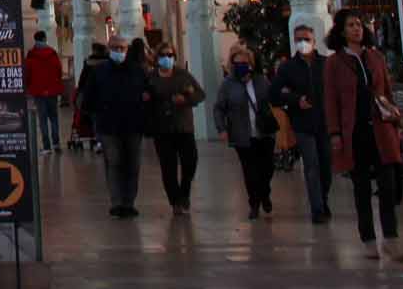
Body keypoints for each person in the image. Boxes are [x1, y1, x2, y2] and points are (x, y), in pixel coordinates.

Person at [324, 10, 403, 260]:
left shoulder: (375, 57)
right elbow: (331, 100)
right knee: (361, 188)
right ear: (341, 31)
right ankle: (368, 239)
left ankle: (390, 238)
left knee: (388, 185)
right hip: (355, 132)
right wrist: (335, 133)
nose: (357, 29)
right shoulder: (334, 63)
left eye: (359, 24)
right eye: (351, 25)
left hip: (380, 128)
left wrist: (394, 118)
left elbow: (387, 92)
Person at [79, 35, 149, 218]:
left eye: (122, 48)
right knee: (114, 162)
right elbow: (88, 99)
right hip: (108, 126)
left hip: (133, 125)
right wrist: (99, 113)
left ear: (127, 50)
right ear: (110, 49)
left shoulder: (137, 71)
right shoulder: (99, 71)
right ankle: (117, 202)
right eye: (116, 48)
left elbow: (148, 93)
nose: (119, 51)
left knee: (133, 164)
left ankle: (129, 202)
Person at [269, 23, 332, 223]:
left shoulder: (326, 64)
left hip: (325, 123)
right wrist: (295, 100)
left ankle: (323, 199)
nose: (302, 43)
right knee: (311, 165)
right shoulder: (288, 68)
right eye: (298, 39)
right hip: (303, 125)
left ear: (314, 41)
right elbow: (274, 95)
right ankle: (317, 209)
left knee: (326, 167)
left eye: (306, 39)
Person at [212, 44, 273, 220]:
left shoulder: (260, 80)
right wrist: (221, 128)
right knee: (250, 171)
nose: (242, 66)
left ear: (251, 64)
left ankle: (264, 193)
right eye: (238, 63)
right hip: (242, 135)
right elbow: (219, 108)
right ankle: (254, 203)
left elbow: (272, 98)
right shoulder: (228, 85)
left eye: (245, 63)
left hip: (264, 133)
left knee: (267, 168)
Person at [145, 44, 205, 215]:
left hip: (183, 126)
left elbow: (200, 94)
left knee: (190, 162)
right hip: (162, 128)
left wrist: (186, 99)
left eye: (170, 54)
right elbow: (143, 98)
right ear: (157, 58)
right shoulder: (151, 78)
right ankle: (175, 201)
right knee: (168, 167)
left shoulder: (183, 75)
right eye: (163, 55)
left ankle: (185, 192)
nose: (167, 58)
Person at [24, 30, 64, 153]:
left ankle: (47, 147)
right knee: (54, 118)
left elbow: (27, 74)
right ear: (45, 39)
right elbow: (59, 71)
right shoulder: (53, 53)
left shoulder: (31, 55)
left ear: (35, 39)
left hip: (38, 92)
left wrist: (28, 87)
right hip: (52, 91)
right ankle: (56, 144)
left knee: (42, 119)